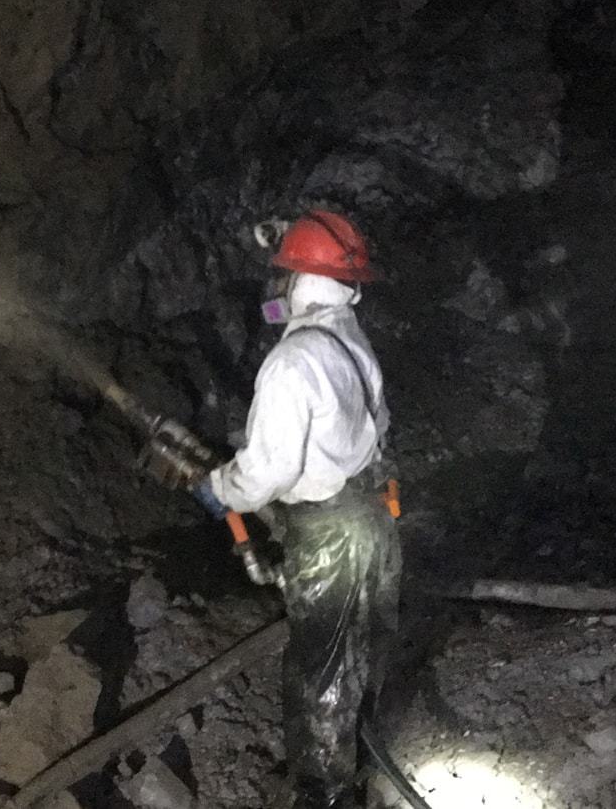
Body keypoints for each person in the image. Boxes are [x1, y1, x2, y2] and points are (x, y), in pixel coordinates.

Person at [193, 210, 402, 808]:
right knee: (366, 644)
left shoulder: (291, 362)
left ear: (297, 278)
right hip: (373, 519)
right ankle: (364, 761)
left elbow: (268, 470)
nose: (275, 284)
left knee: (321, 667)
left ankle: (324, 795)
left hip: (329, 534)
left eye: (281, 272)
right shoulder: (350, 338)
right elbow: (376, 422)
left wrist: (221, 489)